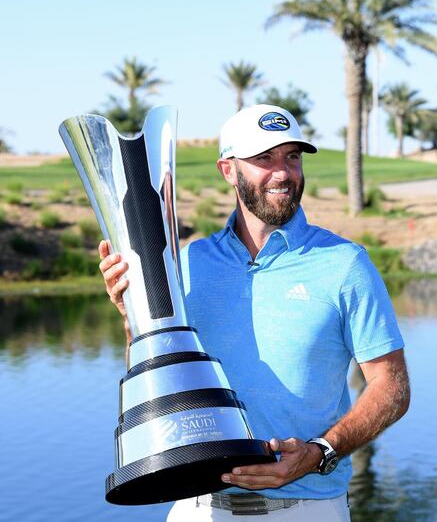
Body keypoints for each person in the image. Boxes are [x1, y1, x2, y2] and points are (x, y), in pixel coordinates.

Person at [98, 104, 410, 521]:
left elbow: (392, 386)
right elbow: (159, 377)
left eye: (292, 157)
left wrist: (320, 452)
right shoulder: (186, 264)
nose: (283, 172)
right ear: (228, 170)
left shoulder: (344, 263)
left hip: (308, 508)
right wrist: (132, 317)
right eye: (264, 158)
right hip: (198, 506)